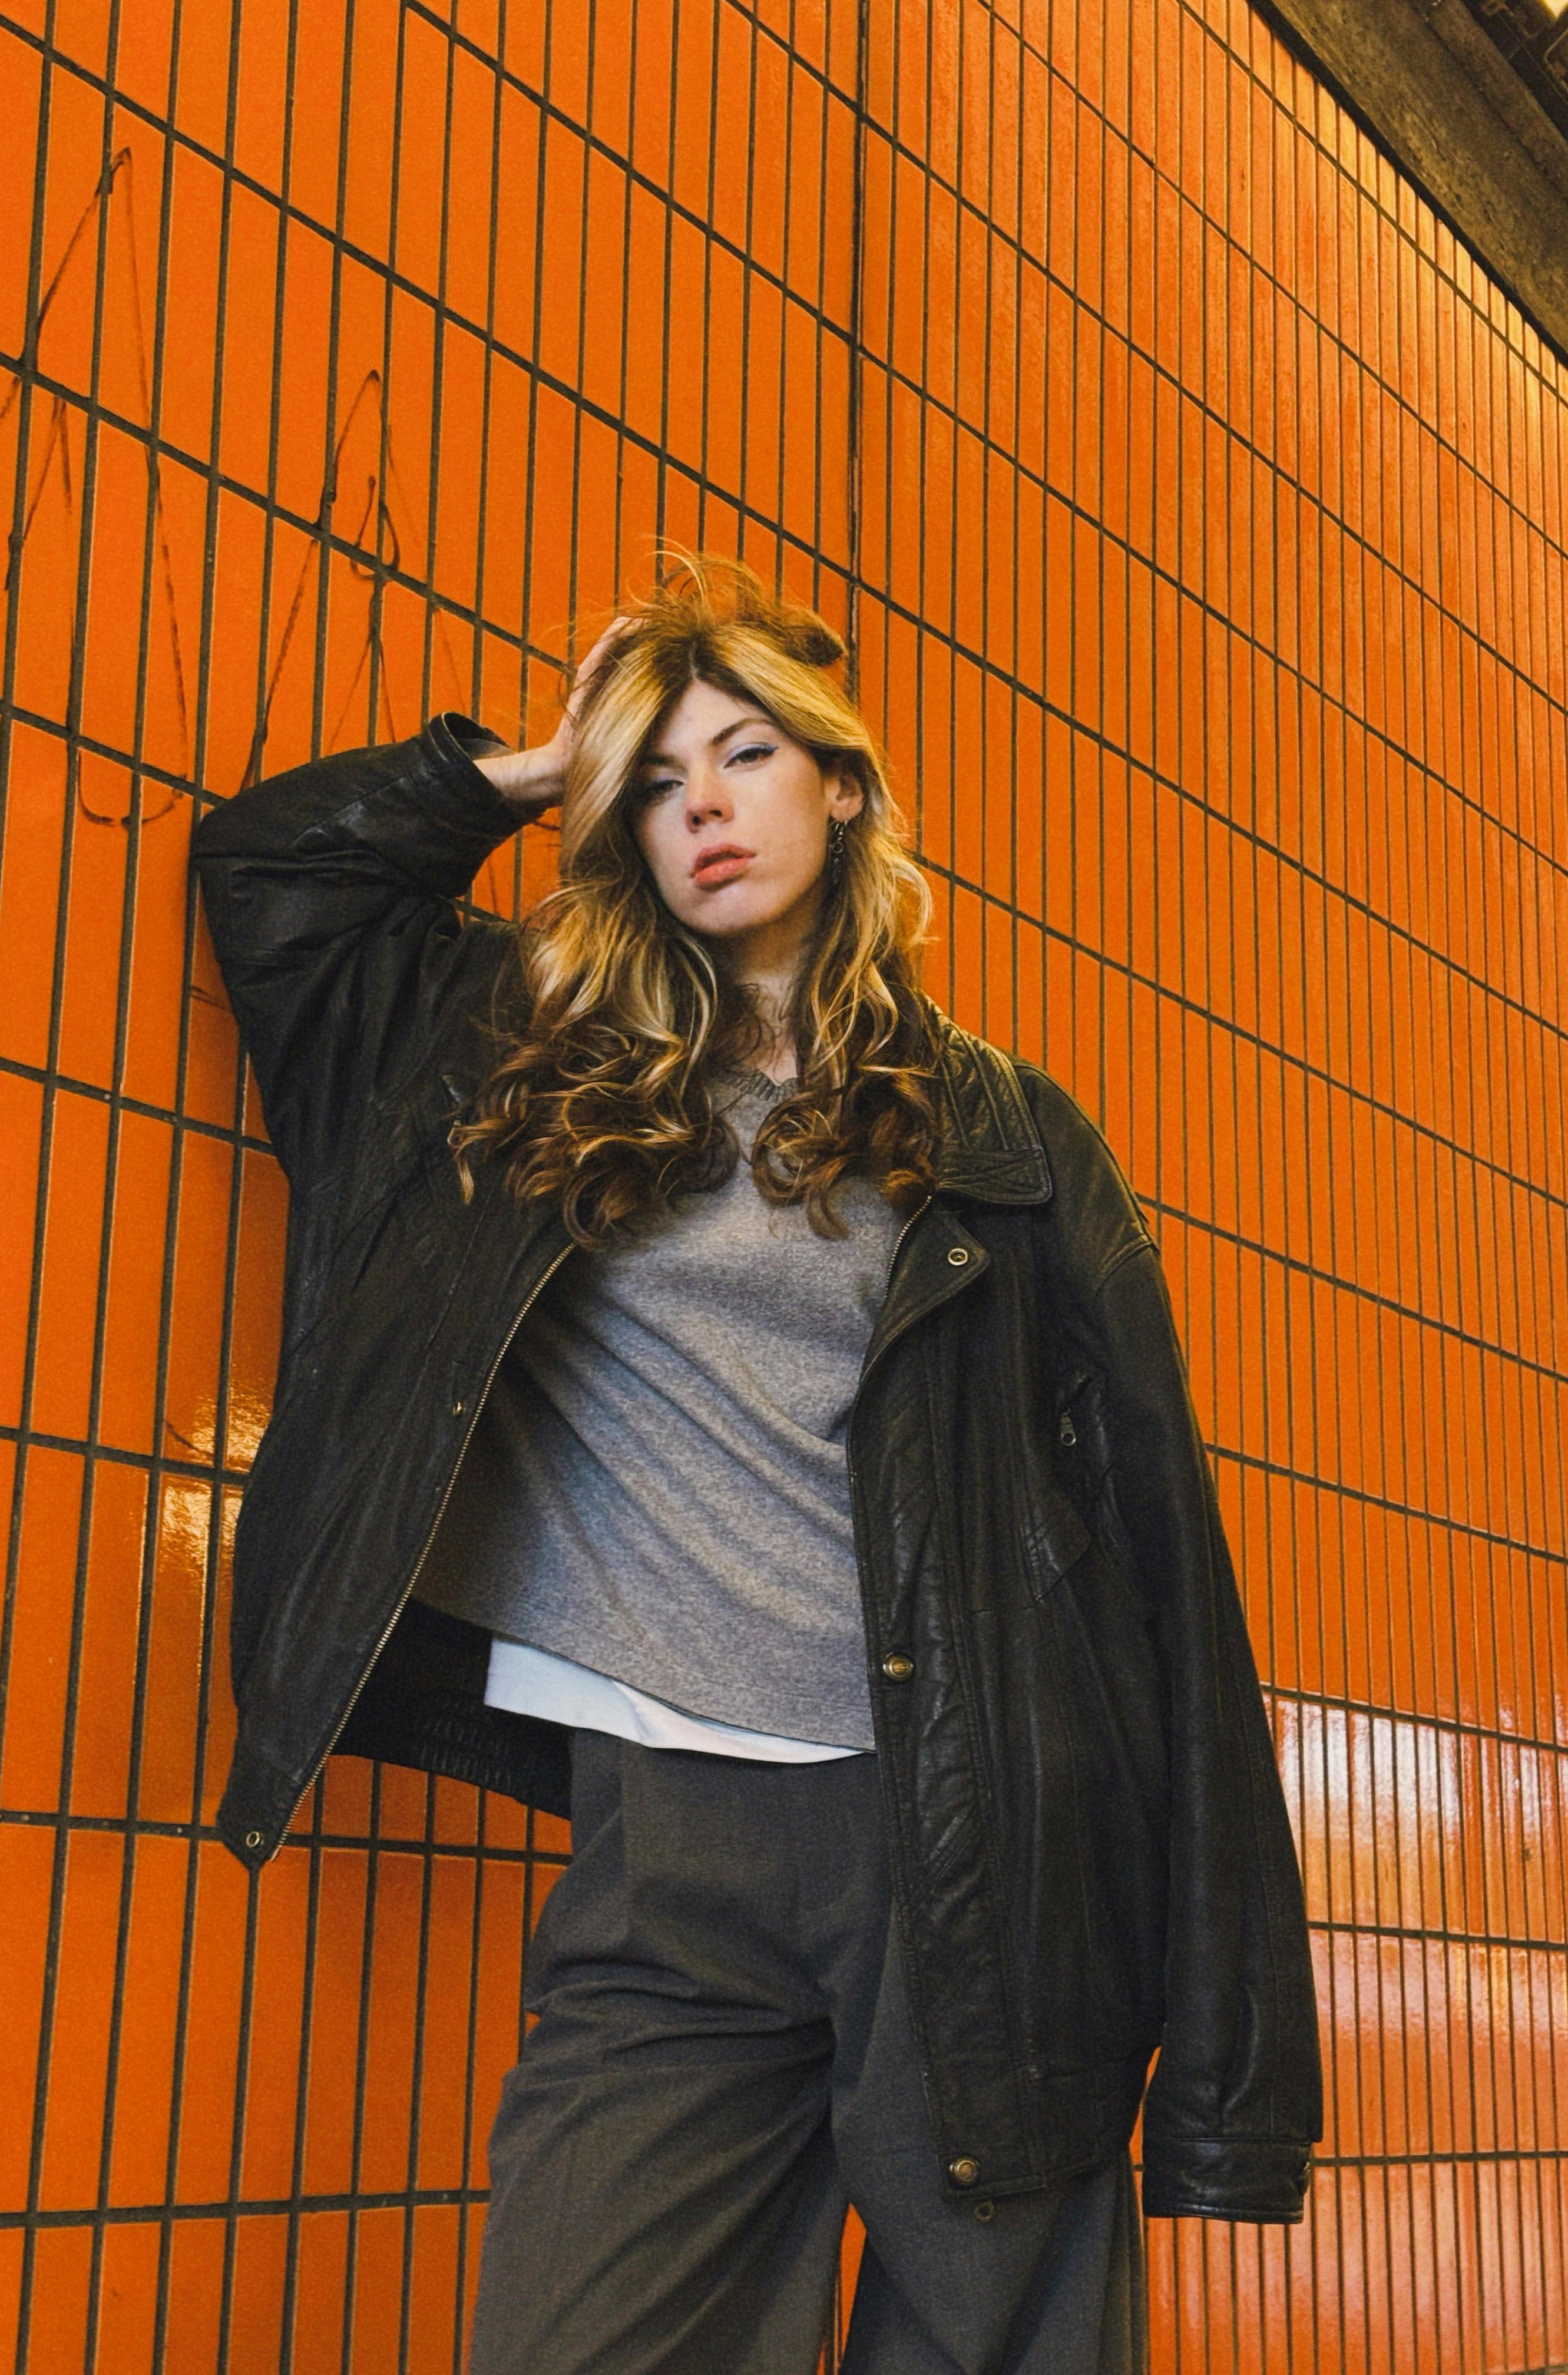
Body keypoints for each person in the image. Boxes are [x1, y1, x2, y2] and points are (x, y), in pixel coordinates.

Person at [191, 554, 1324, 2374]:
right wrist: (551, 761)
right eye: (661, 777)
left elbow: (1160, 1572)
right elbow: (275, 878)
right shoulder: (521, 1059)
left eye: (749, 754)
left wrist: (1228, 2063)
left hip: (970, 1854)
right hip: (668, 1847)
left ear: (846, 785)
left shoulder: (1009, 1139)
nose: (703, 806)